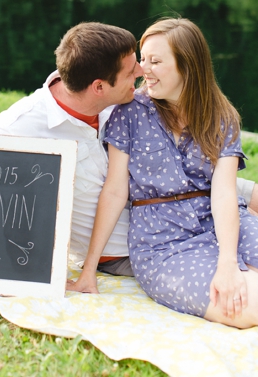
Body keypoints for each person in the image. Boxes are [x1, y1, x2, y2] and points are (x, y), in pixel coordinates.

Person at [0, 22, 257, 277]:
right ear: (99, 87)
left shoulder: (125, 101)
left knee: (244, 198)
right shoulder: (17, 129)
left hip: (181, 194)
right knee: (238, 275)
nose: (140, 72)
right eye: (131, 72)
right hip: (134, 243)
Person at [69, 18, 258, 327]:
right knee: (246, 305)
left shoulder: (222, 117)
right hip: (164, 243)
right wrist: (88, 271)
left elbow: (224, 192)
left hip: (224, 223)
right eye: (143, 60)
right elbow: (116, 191)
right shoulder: (129, 113)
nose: (143, 70)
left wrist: (227, 262)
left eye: (155, 61)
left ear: (188, 66)